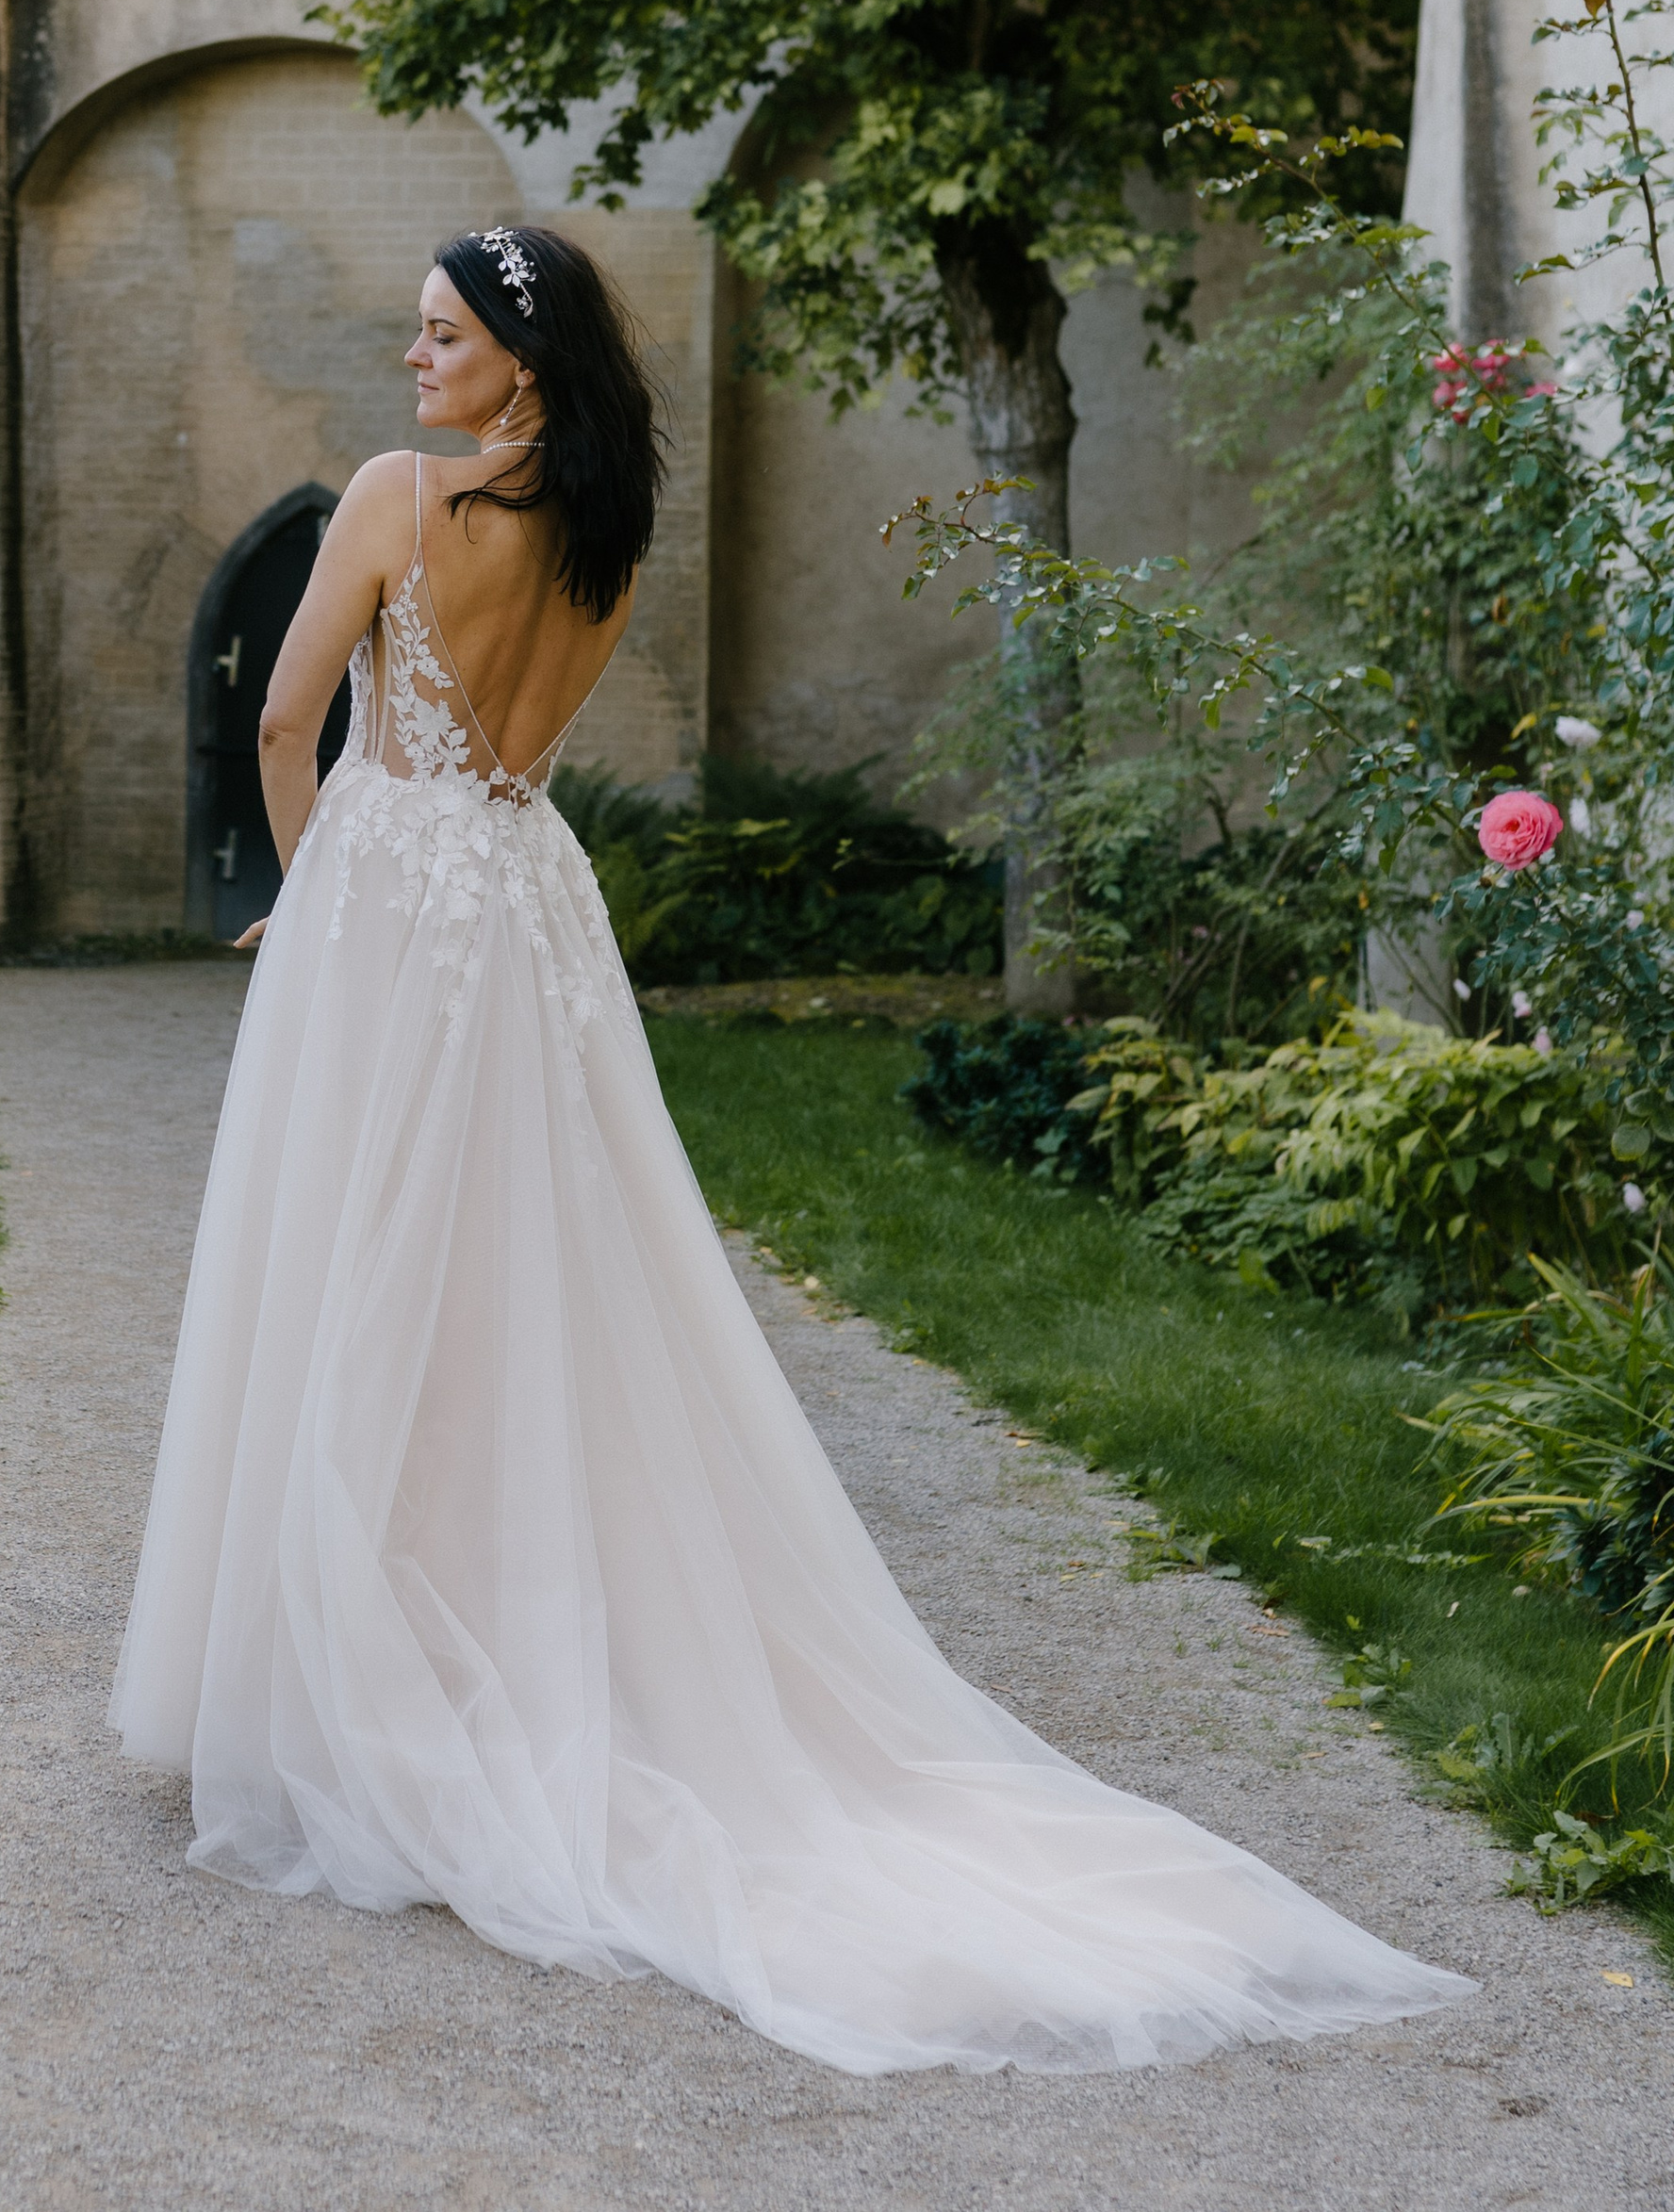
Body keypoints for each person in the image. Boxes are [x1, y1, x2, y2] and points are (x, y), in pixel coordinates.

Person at [108, 225, 1472, 2078]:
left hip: (386, 893)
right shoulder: (602, 529)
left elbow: (284, 716)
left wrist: (300, 888)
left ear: (517, 359)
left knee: (346, 1263)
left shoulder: (390, 497)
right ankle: (468, 1641)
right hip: (518, 905)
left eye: (439, 335)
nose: (407, 358)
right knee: (521, 1277)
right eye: (412, 334)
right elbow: (526, 743)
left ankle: (355, 1683)